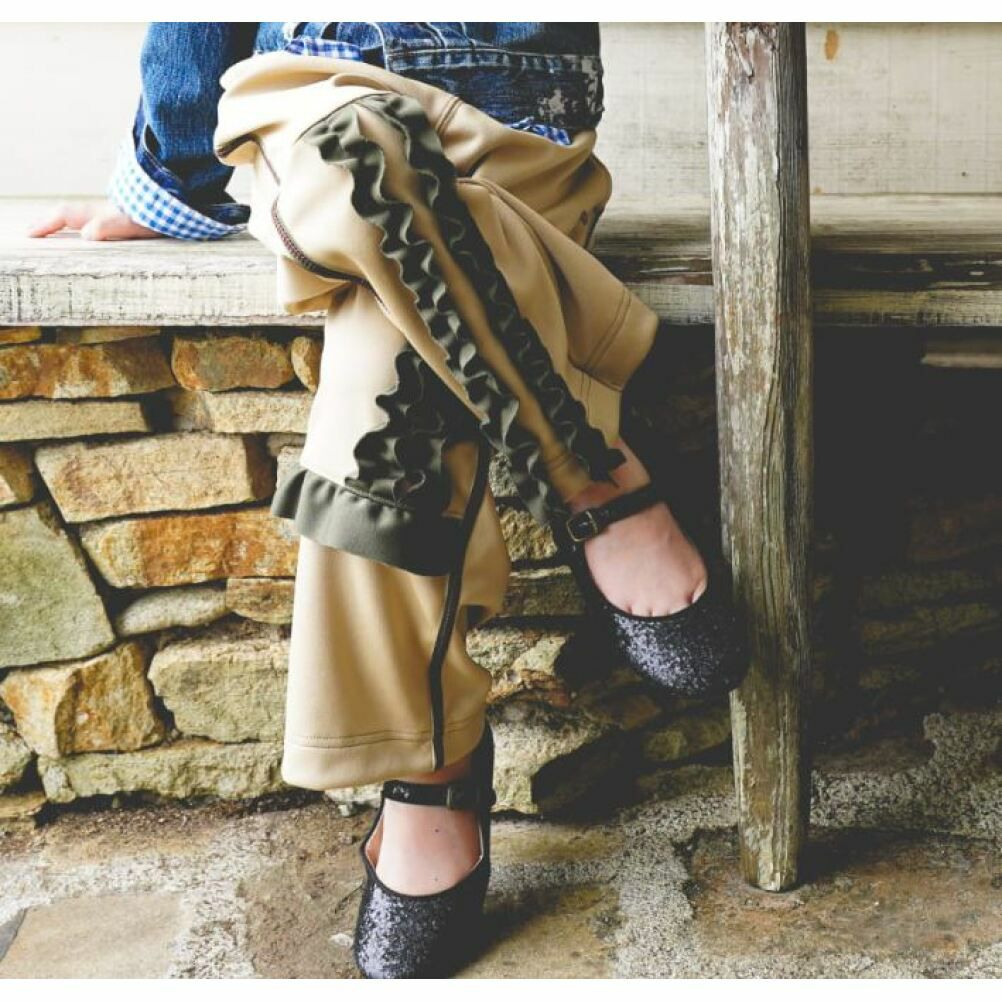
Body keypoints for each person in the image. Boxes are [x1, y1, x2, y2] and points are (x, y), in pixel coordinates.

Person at [29, 22, 747, 978]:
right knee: (358, 151)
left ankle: (432, 768)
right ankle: (590, 473)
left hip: (516, 119)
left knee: (391, 377)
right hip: (311, 84)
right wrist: (175, 172)